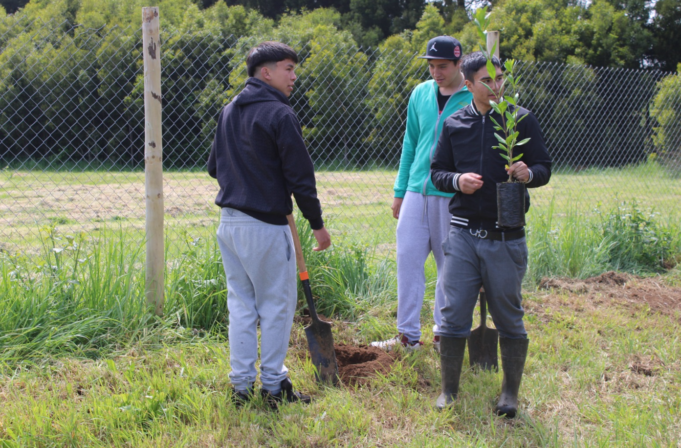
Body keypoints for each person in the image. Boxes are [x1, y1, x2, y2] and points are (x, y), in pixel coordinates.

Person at [207, 41, 332, 409]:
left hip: (229, 224)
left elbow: (215, 166)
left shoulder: (229, 110)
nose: (294, 76)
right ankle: (275, 387)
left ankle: (241, 388)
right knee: (277, 306)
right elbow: (300, 177)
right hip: (264, 226)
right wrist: (317, 224)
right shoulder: (280, 114)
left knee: (242, 307)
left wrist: (247, 181)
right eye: (288, 68)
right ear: (266, 72)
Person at [430, 51, 552, 417]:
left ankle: (509, 395)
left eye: (500, 78)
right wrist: (457, 181)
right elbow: (437, 172)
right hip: (463, 234)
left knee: (509, 315)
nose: (496, 85)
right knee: (452, 315)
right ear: (468, 85)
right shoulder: (454, 125)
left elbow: (545, 167)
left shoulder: (520, 121)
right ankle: (449, 391)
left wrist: (528, 173)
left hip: (506, 237)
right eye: (487, 80)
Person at [371, 36, 472, 352]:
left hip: (451, 192)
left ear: (459, 64)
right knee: (408, 258)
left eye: (442, 66)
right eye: (431, 66)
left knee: (449, 265)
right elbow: (410, 143)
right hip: (416, 188)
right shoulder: (420, 94)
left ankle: (445, 334)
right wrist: (400, 190)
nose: (436, 72)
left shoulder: (473, 97)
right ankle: (407, 337)